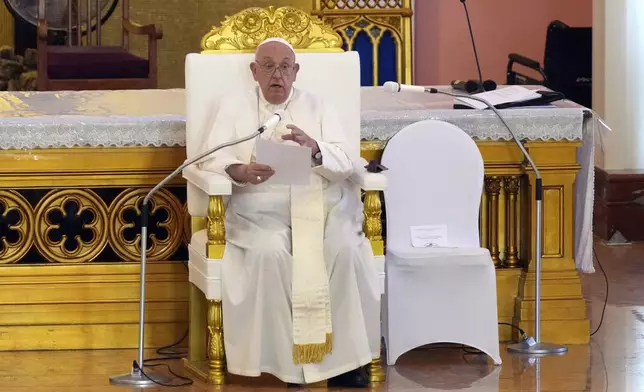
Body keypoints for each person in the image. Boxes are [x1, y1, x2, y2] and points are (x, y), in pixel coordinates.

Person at [198, 37, 380, 387]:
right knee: (270, 251)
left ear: (296, 72)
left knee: (344, 249)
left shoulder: (319, 105)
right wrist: (238, 169)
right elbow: (211, 157)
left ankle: (345, 363)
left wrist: (315, 149)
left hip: (321, 203)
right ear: (254, 71)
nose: (276, 74)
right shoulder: (233, 106)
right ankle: (287, 365)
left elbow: (346, 161)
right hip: (260, 207)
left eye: (284, 67)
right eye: (268, 66)